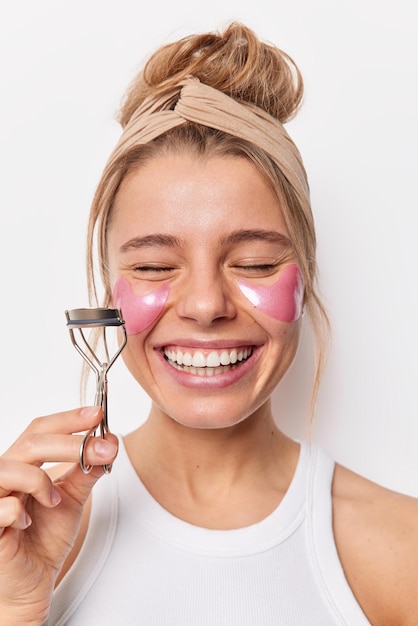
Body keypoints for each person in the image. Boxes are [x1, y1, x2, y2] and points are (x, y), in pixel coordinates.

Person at [0, 21, 417, 626]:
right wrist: (13, 609)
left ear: (306, 275)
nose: (203, 304)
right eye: (153, 265)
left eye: (253, 262)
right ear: (108, 285)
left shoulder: (400, 550)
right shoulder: (25, 546)